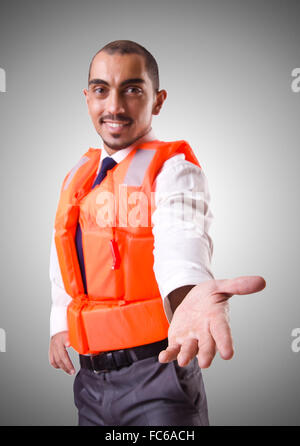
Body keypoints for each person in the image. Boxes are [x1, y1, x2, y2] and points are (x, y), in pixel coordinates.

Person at [48, 40, 266, 426]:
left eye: (132, 90)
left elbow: (181, 242)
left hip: (158, 375)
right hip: (90, 382)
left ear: (158, 100)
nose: (114, 106)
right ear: (87, 98)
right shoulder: (78, 175)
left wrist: (190, 293)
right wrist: (59, 323)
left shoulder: (173, 170)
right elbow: (65, 256)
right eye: (101, 90)